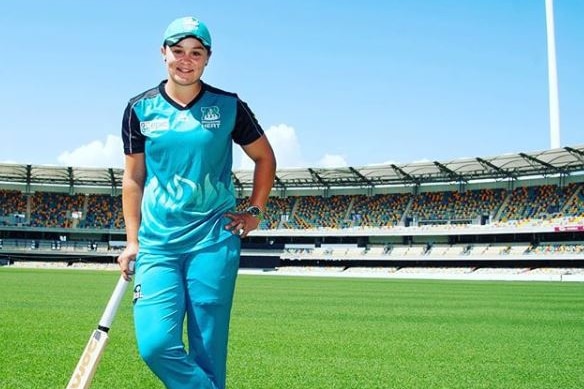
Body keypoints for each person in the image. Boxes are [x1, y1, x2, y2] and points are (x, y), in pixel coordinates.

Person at [117, 16, 276, 389]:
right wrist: (132, 240)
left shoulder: (229, 106)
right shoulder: (139, 109)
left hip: (213, 241)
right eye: (177, 52)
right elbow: (133, 178)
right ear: (163, 54)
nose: (185, 60)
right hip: (158, 245)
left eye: (195, 53)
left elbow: (265, 158)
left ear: (207, 58)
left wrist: (254, 210)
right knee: (155, 346)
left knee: (208, 350)